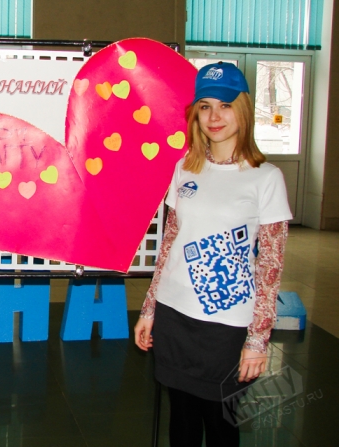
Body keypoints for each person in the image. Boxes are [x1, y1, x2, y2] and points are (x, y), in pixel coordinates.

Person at [133, 62, 292, 447]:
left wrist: (258, 339)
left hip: (226, 324)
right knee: (182, 420)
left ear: (243, 109)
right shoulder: (185, 169)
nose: (214, 116)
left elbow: (270, 266)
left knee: (221, 423)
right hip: (174, 313)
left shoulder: (266, 177)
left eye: (225, 105)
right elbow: (169, 245)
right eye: (205, 106)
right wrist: (149, 310)